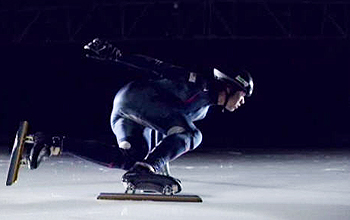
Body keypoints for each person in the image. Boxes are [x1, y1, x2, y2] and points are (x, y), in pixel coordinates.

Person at [27, 38, 253, 192]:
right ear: (229, 86)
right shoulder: (200, 85)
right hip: (138, 100)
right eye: (243, 95)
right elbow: (157, 67)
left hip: (126, 111)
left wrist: (157, 168)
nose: (242, 102)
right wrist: (117, 56)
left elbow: (161, 126)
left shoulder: (203, 108)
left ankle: (51, 142)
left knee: (130, 159)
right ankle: (146, 169)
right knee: (193, 135)